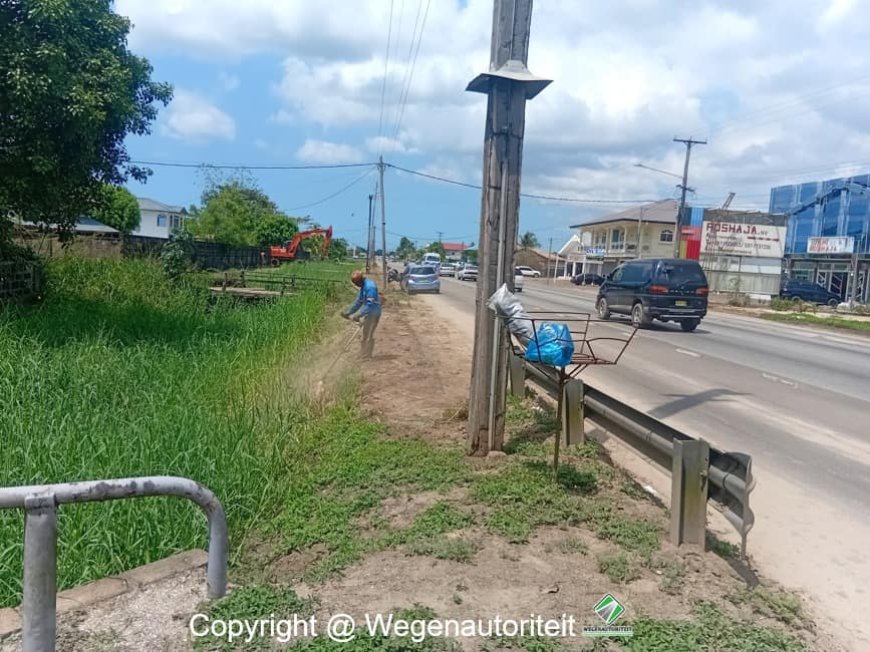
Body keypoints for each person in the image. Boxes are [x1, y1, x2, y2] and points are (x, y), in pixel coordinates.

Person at [341, 270, 382, 359]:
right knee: (365, 333)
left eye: (356, 283)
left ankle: (367, 355)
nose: (356, 285)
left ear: (360, 280)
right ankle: (363, 353)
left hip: (374, 313)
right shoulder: (363, 286)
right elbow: (359, 301)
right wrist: (348, 312)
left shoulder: (370, 287)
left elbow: (369, 304)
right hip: (368, 313)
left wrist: (359, 314)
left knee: (368, 334)